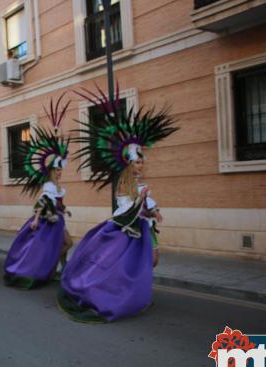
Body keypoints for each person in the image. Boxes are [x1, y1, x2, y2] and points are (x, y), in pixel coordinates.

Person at [56, 88, 177, 323]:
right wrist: (142, 204)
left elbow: (145, 205)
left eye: (142, 161)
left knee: (152, 261)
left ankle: (138, 293)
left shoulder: (139, 183)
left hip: (145, 228)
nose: (141, 166)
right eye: (138, 162)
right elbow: (125, 208)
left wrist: (154, 211)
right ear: (130, 164)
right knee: (128, 266)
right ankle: (122, 295)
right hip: (129, 231)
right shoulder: (124, 184)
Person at [4, 96, 73, 288]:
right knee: (53, 247)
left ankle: (59, 267)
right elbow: (42, 203)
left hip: (58, 220)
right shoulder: (49, 186)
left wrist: (63, 209)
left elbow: (57, 203)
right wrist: (35, 220)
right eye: (57, 170)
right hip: (46, 222)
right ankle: (51, 268)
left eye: (61, 170)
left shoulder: (58, 187)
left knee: (67, 243)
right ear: (51, 171)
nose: (60, 173)